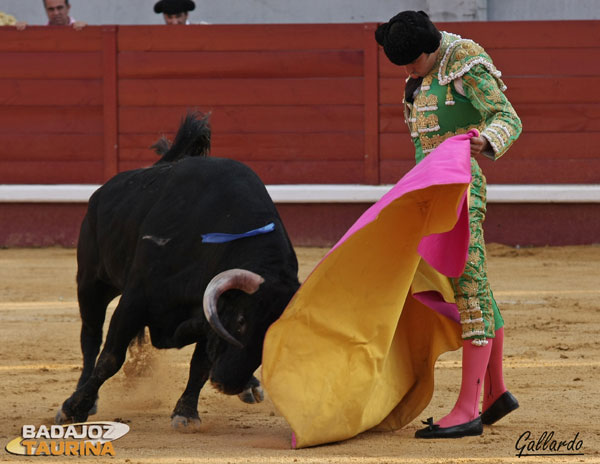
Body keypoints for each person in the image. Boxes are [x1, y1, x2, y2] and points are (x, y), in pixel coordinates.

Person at [375, 10, 522, 439]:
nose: (407, 71)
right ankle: (495, 391)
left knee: (468, 284)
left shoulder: (465, 59)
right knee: (472, 285)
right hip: (429, 191)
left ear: (429, 48)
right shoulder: (420, 75)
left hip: (460, 189)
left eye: (412, 63)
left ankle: (467, 408)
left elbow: (507, 117)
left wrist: (484, 140)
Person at [15, 0, 87, 31]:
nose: (56, 13)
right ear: (46, 10)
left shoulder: (83, 29)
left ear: (68, 8)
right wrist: (23, 33)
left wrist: (87, 31)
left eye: (60, 8)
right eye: (51, 9)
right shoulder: (40, 34)